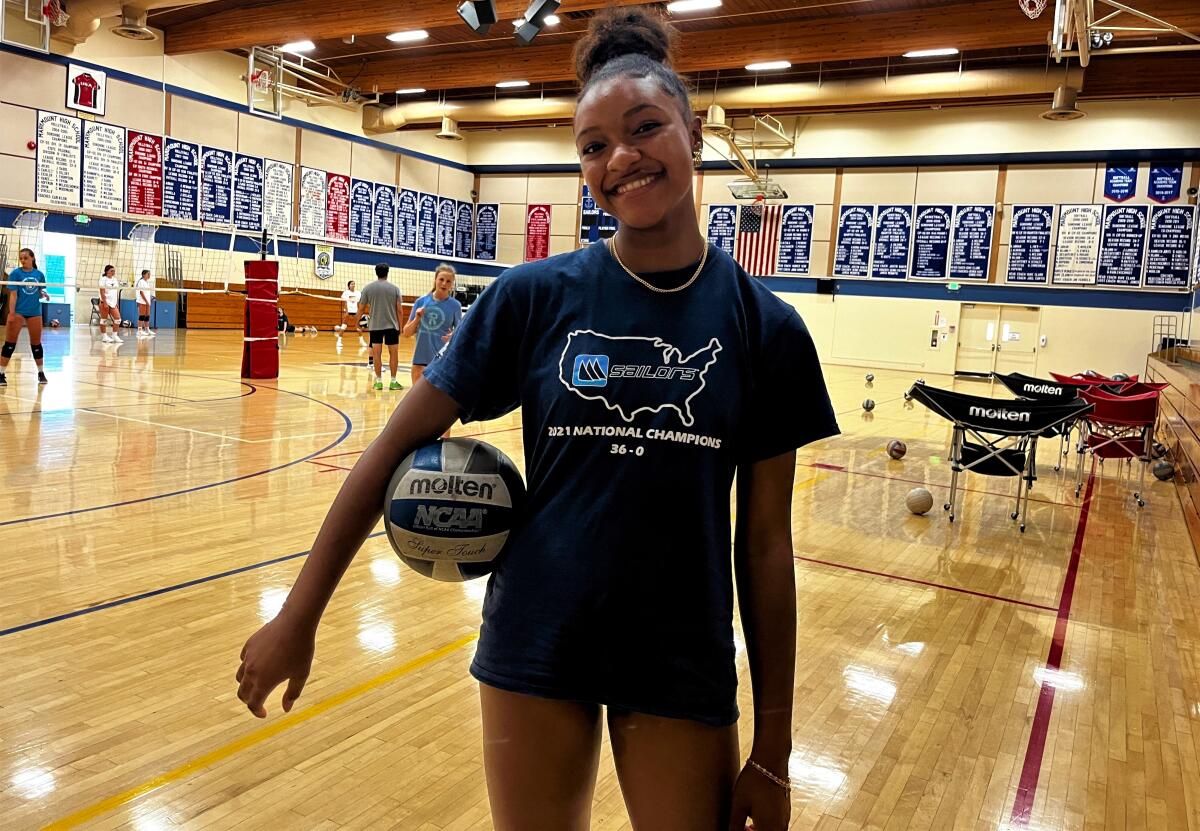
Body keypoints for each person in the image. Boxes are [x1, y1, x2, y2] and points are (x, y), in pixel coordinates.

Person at [234, 9, 838, 831]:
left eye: (644, 128)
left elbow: (764, 544)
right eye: (593, 146)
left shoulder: (766, 328)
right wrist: (299, 614)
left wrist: (774, 749)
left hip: (680, 655)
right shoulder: (533, 299)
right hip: (537, 639)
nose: (620, 158)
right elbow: (393, 445)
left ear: (691, 134)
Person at [402, 264, 461, 387]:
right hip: (420, 361)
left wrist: (453, 336)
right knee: (418, 402)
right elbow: (406, 333)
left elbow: (459, 334)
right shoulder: (421, 302)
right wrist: (417, 318)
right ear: (435, 280)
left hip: (441, 362)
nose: (444, 283)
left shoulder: (455, 306)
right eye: (441, 279)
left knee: (436, 403)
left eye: (448, 281)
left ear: (452, 284)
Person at [1, 248, 50, 387]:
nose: (22, 261)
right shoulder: (15, 274)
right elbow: (13, 295)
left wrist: (43, 295)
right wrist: (11, 313)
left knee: (36, 344)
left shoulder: (39, 275)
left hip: (34, 311)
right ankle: (1, 373)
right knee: (10, 344)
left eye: (25, 258)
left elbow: (39, 292)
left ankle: (41, 373)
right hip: (18, 311)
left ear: (32, 258)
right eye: (21, 258)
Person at [357, 263, 404, 391]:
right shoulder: (395, 289)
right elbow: (399, 310)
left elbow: (361, 308)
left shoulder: (368, 288)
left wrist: (357, 323)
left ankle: (378, 382)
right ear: (387, 273)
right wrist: (401, 327)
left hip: (375, 326)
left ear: (376, 272)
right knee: (393, 353)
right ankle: (393, 381)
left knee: (377, 353)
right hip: (392, 326)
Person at [98, 264, 122, 344]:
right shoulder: (103, 279)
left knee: (118, 319)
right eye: (112, 271)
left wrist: (116, 302)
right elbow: (102, 292)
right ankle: (104, 336)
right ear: (107, 271)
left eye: (114, 271)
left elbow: (116, 292)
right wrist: (104, 303)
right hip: (105, 302)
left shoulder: (115, 280)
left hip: (113, 303)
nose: (113, 272)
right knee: (104, 320)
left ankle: (114, 335)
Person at [135, 269, 155, 338]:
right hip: (142, 301)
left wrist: (150, 298)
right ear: (143, 275)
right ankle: (139, 330)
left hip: (147, 301)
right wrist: (146, 301)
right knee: (142, 316)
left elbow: (147, 293)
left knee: (147, 316)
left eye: (150, 274)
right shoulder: (141, 281)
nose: (149, 275)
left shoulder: (147, 282)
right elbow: (141, 292)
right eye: (148, 274)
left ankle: (147, 330)